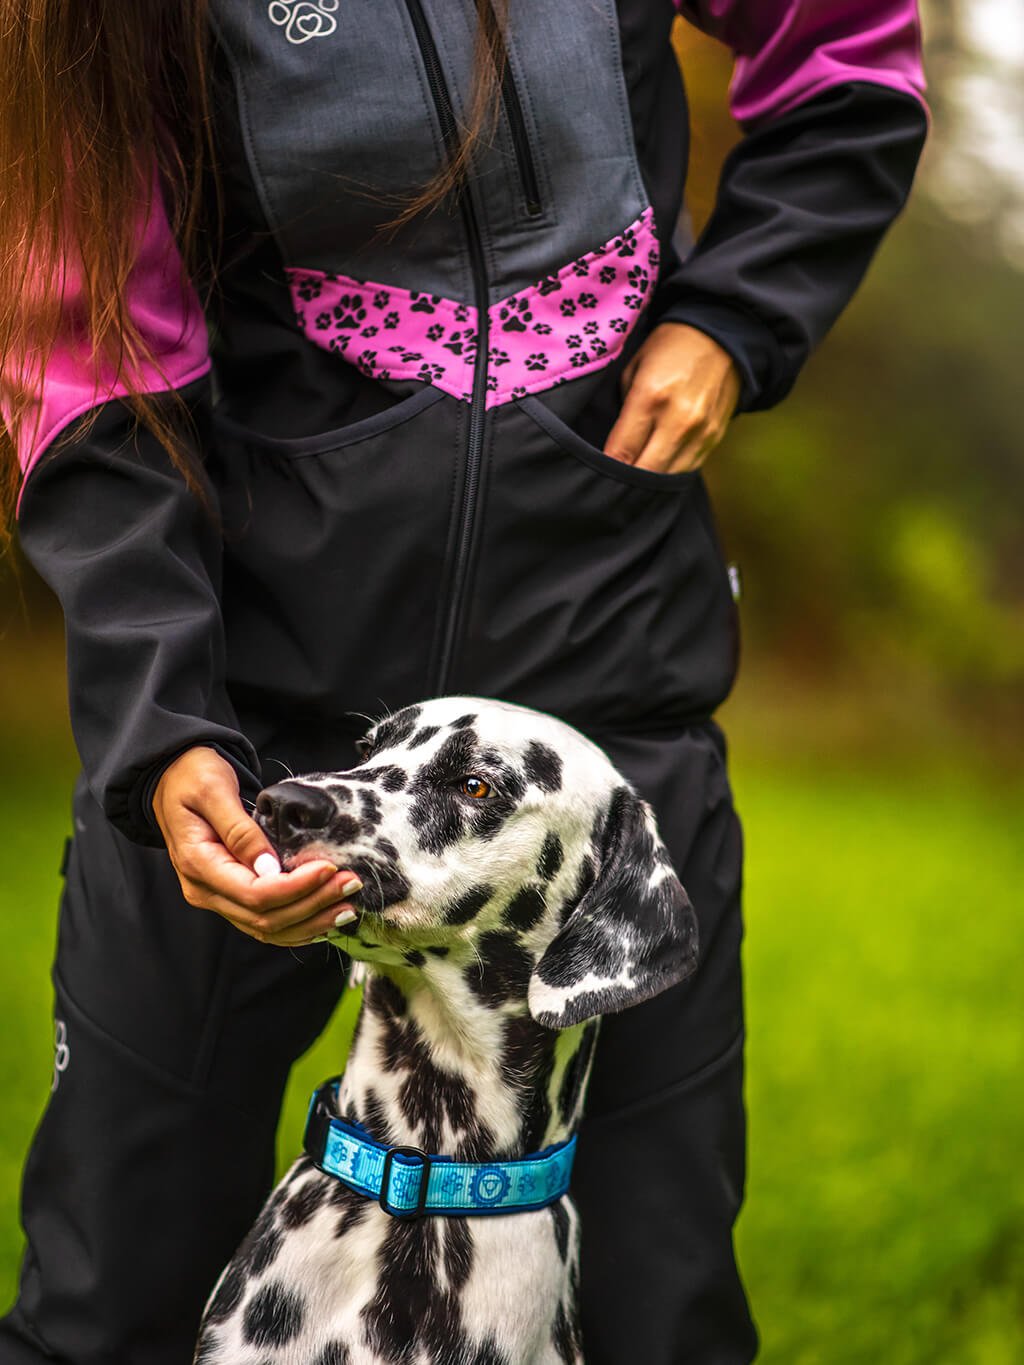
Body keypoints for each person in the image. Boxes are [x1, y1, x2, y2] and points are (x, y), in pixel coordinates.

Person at [0, 2, 927, 1361]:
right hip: (249, 727)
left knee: (658, 1317)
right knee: (105, 1306)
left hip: (602, 697)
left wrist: (735, 319)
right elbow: (91, 362)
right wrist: (159, 734)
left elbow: (851, 46)